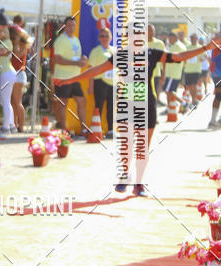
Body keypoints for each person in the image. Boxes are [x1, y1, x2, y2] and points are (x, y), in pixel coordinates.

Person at [56, 32, 221, 194]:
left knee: (143, 147)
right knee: (126, 144)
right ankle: (124, 175)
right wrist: (71, 80)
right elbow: (96, 70)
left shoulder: (152, 53)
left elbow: (178, 57)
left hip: (147, 104)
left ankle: (139, 183)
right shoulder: (121, 55)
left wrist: (206, 47)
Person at [52, 16, 88, 135]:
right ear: (65, 26)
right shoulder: (60, 40)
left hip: (75, 77)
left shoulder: (76, 40)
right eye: (69, 25)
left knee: (82, 101)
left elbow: (77, 56)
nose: (72, 27)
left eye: (73, 25)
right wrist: (76, 62)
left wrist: (82, 59)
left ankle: (83, 129)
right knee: (63, 103)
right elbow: (57, 59)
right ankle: (63, 130)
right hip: (62, 77)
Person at [88, 27, 115, 138]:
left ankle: (110, 130)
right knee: (99, 106)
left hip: (112, 82)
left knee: (111, 107)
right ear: (99, 38)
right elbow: (91, 69)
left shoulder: (114, 50)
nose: (104, 38)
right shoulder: (95, 51)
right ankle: (96, 129)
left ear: (110, 38)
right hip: (100, 81)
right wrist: (91, 85)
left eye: (106, 36)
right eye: (102, 36)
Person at [0, 10, 17, 135]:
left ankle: (6, 126)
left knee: (5, 101)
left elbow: (2, 52)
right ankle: (11, 124)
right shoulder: (7, 41)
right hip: (8, 72)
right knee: (6, 100)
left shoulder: (6, 42)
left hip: (6, 73)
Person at [10, 24, 30, 133]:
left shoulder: (22, 45)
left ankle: (21, 126)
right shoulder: (14, 43)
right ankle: (15, 124)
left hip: (19, 73)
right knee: (13, 102)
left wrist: (16, 43)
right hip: (15, 73)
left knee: (18, 102)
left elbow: (17, 55)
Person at [163, 31, 185, 109]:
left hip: (172, 72)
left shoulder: (177, 46)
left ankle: (182, 102)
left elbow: (167, 57)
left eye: (170, 38)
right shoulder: (177, 45)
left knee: (168, 91)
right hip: (174, 72)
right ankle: (171, 106)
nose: (169, 40)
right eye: (169, 38)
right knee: (169, 90)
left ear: (175, 38)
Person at [184, 33, 202, 107]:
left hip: (196, 69)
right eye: (191, 38)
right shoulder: (187, 47)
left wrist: (197, 57)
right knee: (190, 86)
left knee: (193, 85)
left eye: (194, 38)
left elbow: (203, 58)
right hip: (188, 69)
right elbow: (184, 56)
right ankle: (193, 99)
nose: (192, 39)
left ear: (196, 39)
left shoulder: (200, 47)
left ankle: (194, 101)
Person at [148, 24, 166, 99]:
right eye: (149, 30)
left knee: (154, 95)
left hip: (156, 74)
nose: (151, 32)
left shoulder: (160, 43)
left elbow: (164, 59)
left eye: (152, 31)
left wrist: (163, 74)